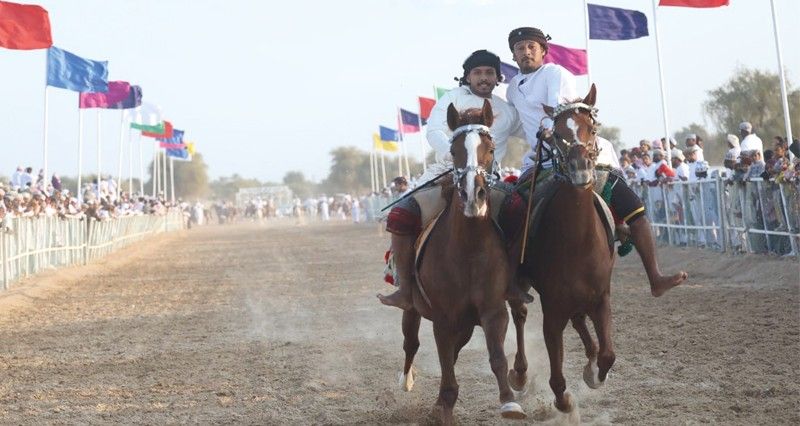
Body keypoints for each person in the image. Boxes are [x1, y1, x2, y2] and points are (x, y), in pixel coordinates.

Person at [504, 26, 686, 297]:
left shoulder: (555, 74)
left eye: (532, 47)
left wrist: (550, 132)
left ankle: (655, 277)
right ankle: (516, 279)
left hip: (578, 152)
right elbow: (520, 125)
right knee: (512, 208)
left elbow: (564, 111)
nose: (526, 52)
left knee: (634, 210)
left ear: (544, 51)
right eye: (520, 48)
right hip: (540, 159)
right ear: (513, 55)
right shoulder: (511, 90)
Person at [378, 49, 521, 310]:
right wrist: (457, 159)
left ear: (498, 76)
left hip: (489, 180)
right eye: (477, 73)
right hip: (446, 174)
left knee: (522, 213)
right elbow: (433, 131)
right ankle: (406, 290)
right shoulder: (452, 99)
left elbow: (533, 129)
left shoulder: (506, 110)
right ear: (467, 76)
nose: (484, 78)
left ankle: (514, 280)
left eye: (489, 72)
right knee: (401, 213)